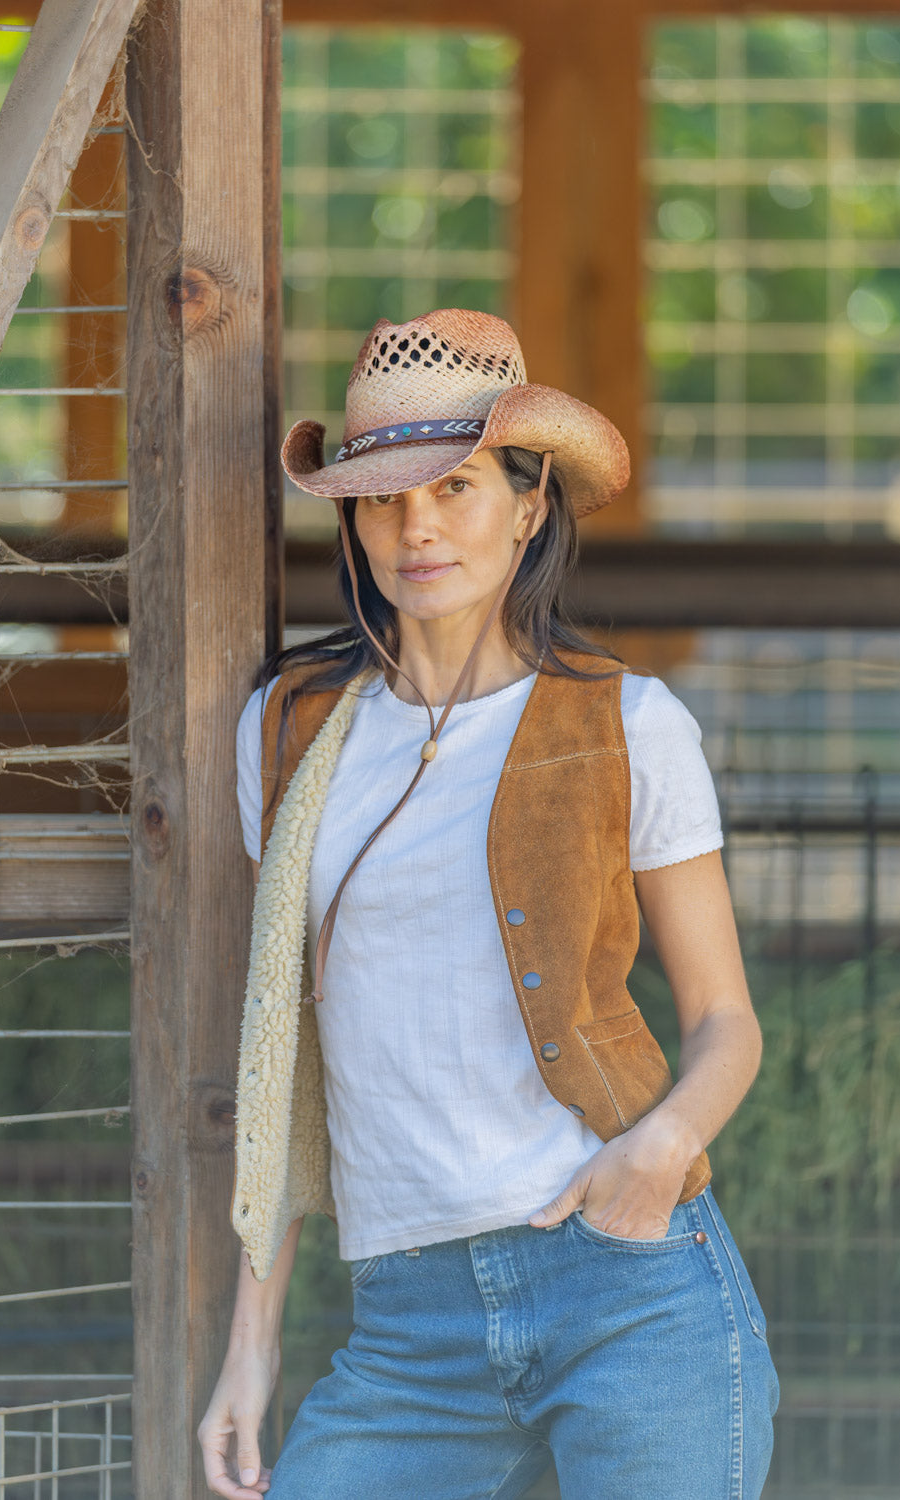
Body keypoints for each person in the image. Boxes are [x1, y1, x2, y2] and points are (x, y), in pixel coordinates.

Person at [198, 308, 779, 1500]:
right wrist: (249, 1351)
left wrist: (659, 1150)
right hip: (406, 1331)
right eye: (378, 497)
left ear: (528, 504)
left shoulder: (629, 724)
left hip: (623, 1287)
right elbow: (284, 1064)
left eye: (455, 487)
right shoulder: (288, 736)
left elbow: (725, 1018)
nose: (414, 526)